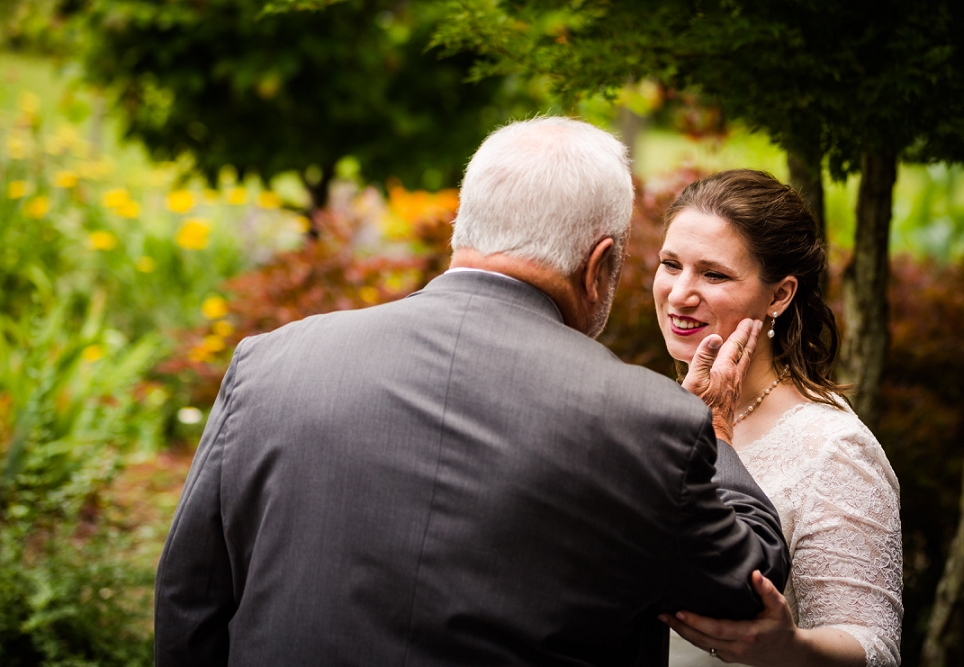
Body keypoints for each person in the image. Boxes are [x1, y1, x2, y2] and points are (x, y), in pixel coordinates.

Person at [154, 118, 790, 666]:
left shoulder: (269, 363)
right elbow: (744, 584)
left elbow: (191, 597)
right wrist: (715, 425)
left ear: (465, 226)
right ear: (599, 266)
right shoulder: (648, 420)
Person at [653, 169, 903, 667]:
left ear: (779, 296)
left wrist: (790, 647)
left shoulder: (831, 447)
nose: (680, 293)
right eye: (670, 264)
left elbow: (876, 646)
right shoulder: (654, 408)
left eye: (713, 274)